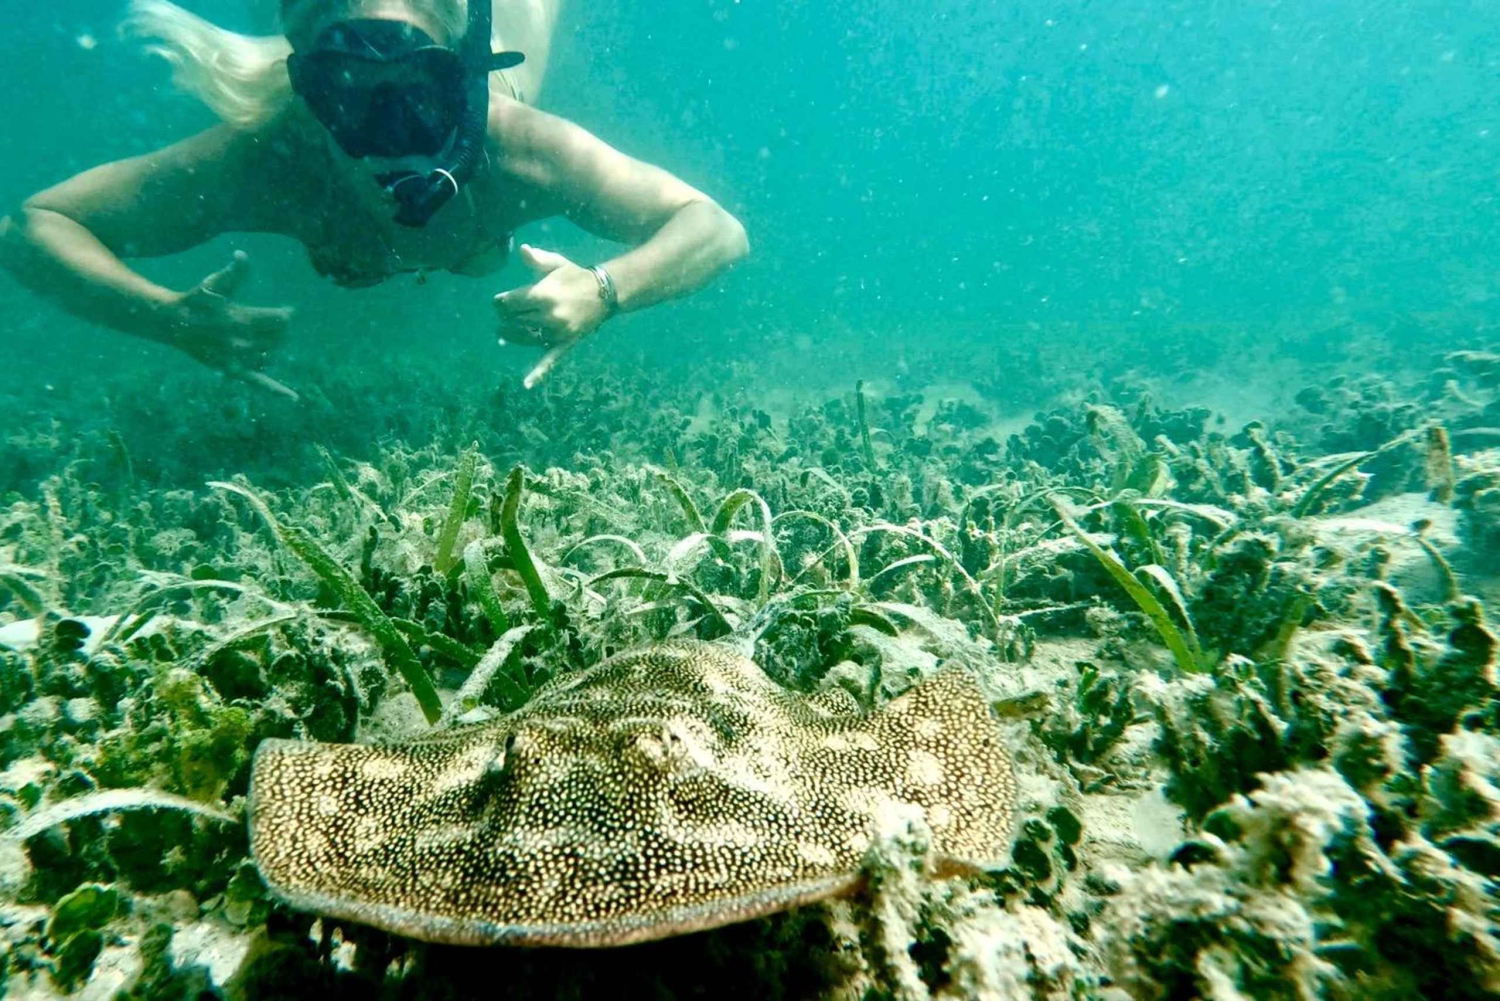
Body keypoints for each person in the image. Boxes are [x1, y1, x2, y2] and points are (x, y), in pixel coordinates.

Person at [0, 0, 749, 397]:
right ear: (308, 89)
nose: (385, 140)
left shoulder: (517, 149)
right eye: (347, 97)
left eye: (418, 97)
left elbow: (714, 228)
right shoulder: (267, 156)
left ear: (460, 80)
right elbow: (33, 227)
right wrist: (163, 318)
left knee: (471, 252)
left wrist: (605, 290)